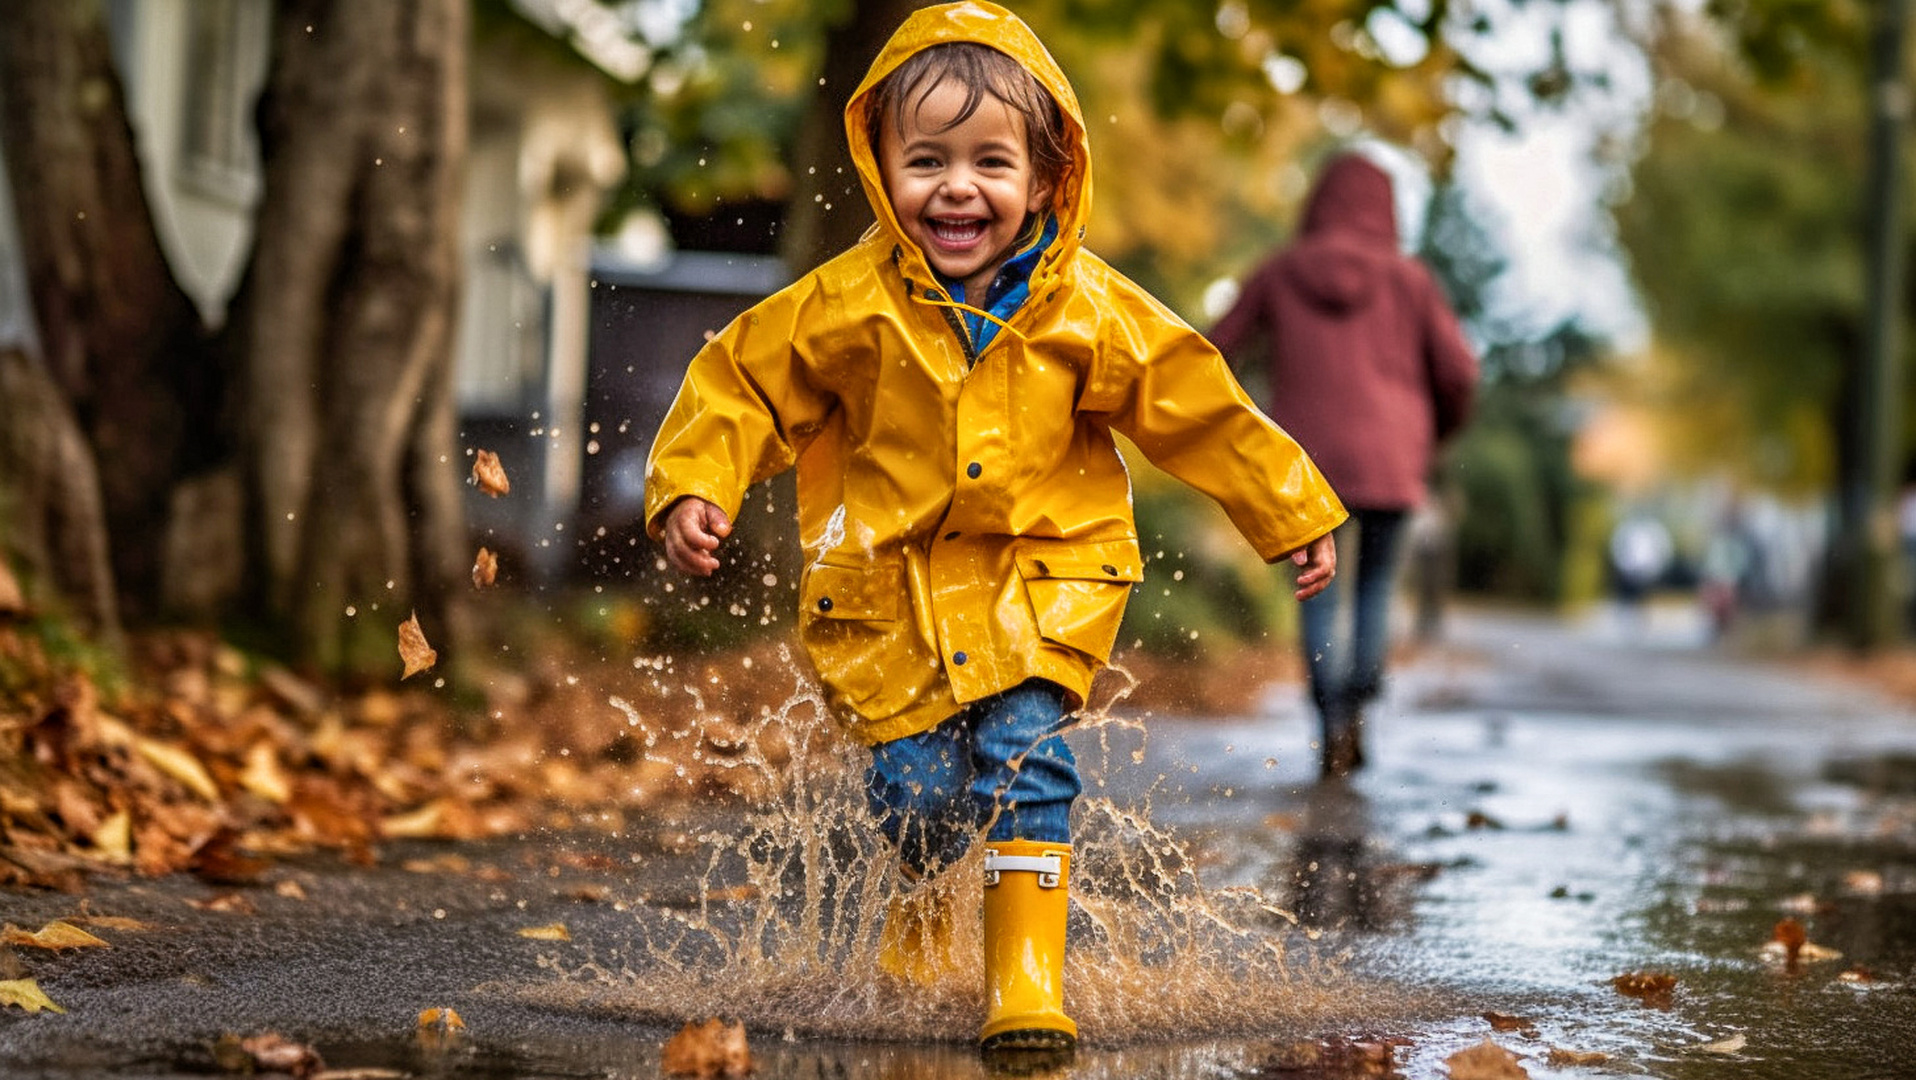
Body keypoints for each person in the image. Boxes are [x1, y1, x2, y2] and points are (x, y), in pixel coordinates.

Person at [643, 1, 1345, 1056]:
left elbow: (1195, 406)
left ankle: (1024, 983)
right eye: (924, 159)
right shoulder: (844, 307)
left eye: (988, 162)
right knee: (918, 796)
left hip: (1042, 586)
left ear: (1046, 177)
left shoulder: (1092, 313)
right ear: (880, 167)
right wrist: (698, 482)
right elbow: (738, 382)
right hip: (893, 600)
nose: (956, 187)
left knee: (1026, 758)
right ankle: (920, 929)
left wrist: (1284, 508)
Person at [1210, 151, 1477, 781]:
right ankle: (1359, 701)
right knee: (1377, 584)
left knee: (1315, 591)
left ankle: (1330, 715)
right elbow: (1461, 371)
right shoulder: (1410, 281)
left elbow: (1212, 353)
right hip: (1393, 460)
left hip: (1303, 464)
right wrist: (1433, 435)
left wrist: (1246, 431)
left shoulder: (1279, 273)